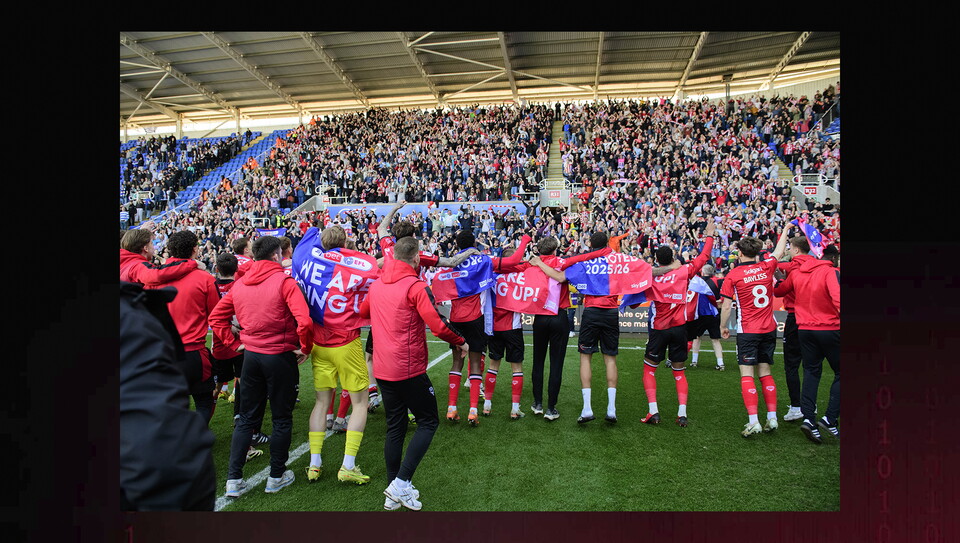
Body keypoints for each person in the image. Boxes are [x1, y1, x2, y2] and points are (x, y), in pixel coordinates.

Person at [359, 236, 469, 511]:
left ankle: (393, 489)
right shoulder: (415, 286)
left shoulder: (379, 285)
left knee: (395, 426)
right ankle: (401, 482)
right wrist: (461, 341)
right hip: (406, 367)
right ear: (417, 258)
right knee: (428, 421)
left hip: (383, 368)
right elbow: (438, 325)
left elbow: (362, 311)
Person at [209, 236, 313, 498]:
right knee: (281, 417)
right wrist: (305, 348)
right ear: (277, 255)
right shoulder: (284, 282)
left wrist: (234, 343)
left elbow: (216, 318)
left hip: (252, 357)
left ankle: (234, 480)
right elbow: (305, 322)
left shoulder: (241, 283)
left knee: (246, 418)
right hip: (277, 356)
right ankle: (276, 475)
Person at [120, 281, 215, 510]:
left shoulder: (144, 281)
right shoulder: (129, 314)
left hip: (178, 352)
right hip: (190, 351)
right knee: (202, 400)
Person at [294, 225, 376, 486]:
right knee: (361, 403)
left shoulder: (309, 258)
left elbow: (303, 244)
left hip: (318, 344)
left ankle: (315, 464)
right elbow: (373, 268)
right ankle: (348, 465)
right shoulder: (353, 265)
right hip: (346, 342)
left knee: (321, 402)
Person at [639, 221, 714, 427]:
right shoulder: (683, 272)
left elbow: (636, 300)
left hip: (659, 329)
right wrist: (709, 236)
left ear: (656, 260)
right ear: (673, 259)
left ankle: (653, 411)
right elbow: (703, 258)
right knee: (679, 372)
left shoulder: (651, 278)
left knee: (649, 370)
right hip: (680, 328)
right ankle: (682, 414)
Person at [719, 226, 790, 437]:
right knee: (766, 373)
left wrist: (723, 326)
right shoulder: (766, 266)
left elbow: (725, 306)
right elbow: (779, 251)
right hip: (769, 328)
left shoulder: (733, 274)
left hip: (748, 330)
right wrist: (785, 229)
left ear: (740, 253)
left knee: (747, 375)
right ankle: (772, 418)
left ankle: (753, 421)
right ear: (757, 252)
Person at [153, 230, 221, 425]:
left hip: (162, 353)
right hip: (192, 353)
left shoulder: (153, 278)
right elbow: (215, 315)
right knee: (203, 401)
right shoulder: (204, 279)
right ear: (194, 250)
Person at [775, 244, 840, 444]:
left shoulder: (796, 273)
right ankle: (830, 418)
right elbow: (838, 299)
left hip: (804, 328)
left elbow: (779, 292)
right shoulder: (830, 272)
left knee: (811, 372)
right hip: (829, 327)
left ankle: (809, 419)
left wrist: (775, 276)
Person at [210, 252, 269, 458]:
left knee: (216, 388)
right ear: (237, 271)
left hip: (219, 345)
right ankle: (247, 437)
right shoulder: (241, 286)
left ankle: (205, 423)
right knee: (245, 386)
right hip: (239, 345)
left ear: (216, 269)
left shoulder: (211, 286)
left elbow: (212, 315)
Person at [773, 234, 817, 422]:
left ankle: (796, 406)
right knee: (811, 365)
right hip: (815, 318)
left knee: (791, 365)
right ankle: (809, 405)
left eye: (791, 248)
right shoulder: (820, 267)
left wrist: (778, 278)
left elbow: (777, 285)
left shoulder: (789, 267)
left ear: (796, 250)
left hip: (795, 317)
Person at [119, 224, 199, 285]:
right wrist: (192, 263)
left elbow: (131, 241)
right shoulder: (137, 266)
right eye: (151, 243)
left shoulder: (126, 262)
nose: (154, 248)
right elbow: (157, 274)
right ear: (145, 248)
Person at [688, 264, 725, 371]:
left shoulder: (697, 281)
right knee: (715, 340)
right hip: (713, 314)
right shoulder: (717, 281)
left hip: (700, 314)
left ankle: (694, 361)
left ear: (702, 272)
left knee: (697, 338)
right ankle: (720, 363)